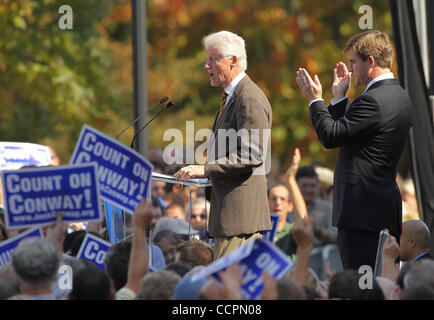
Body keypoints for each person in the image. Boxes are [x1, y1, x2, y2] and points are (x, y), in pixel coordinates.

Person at [296, 30, 414, 271]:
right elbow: (350, 133)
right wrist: (339, 98)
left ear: (370, 62)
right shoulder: (398, 96)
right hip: (379, 209)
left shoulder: (373, 100)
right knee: (379, 281)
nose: (349, 69)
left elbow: (330, 136)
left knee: (362, 286)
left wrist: (315, 100)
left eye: (352, 62)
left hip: (361, 214)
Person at [174, 30, 272, 259]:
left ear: (233, 61)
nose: (206, 66)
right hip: (229, 218)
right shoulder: (232, 96)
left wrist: (206, 169)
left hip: (239, 221)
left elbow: (252, 154)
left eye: (212, 60)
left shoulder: (248, 97)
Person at [293, 166, 337, 248]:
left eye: (312, 185)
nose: (309, 190)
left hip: (318, 256)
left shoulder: (327, 207)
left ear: (318, 187)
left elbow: (336, 235)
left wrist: (317, 230)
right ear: (295, 186)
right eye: (304, 185)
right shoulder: (287, 207)